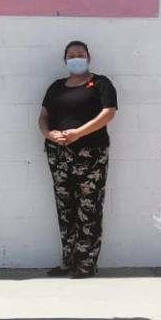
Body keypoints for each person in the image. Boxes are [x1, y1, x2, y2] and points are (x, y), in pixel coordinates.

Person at [37, 41, 117, 278]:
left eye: (80, 54)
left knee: (89, 206)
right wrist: (48, 134)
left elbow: (108, 113)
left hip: (91, 154)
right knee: (65, 207)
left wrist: (78, 133)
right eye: (71, 55)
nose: (76, 58)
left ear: (88, 57)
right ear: (65, 60)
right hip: (59, 154)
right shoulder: (56, 87)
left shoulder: (100, 83)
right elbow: (43, 116)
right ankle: (68, 260)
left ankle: (86, 263)